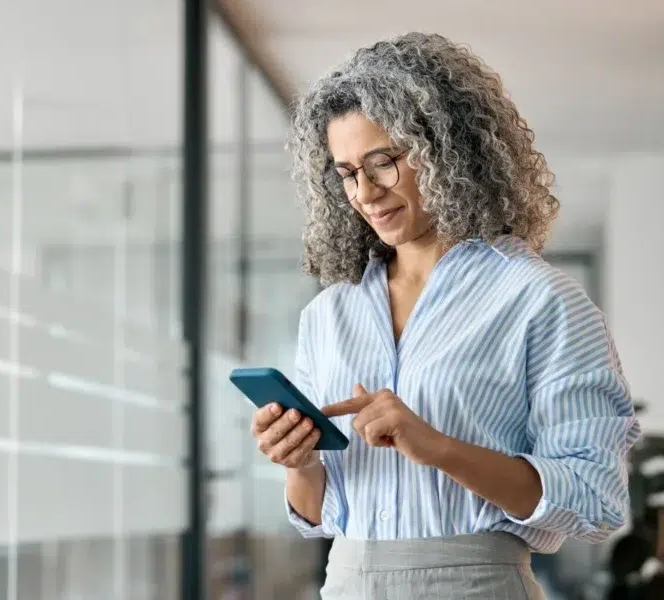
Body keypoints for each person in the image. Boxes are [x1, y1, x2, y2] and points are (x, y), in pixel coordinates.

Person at [249, 32, 640, 599]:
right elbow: (319, 514)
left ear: (447, 150)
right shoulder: (328, 314)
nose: (365, 192)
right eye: (347, 173)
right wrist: (299, 461)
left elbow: (593, 501)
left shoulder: (539, 300)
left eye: (383, 162)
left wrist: (439, 447)